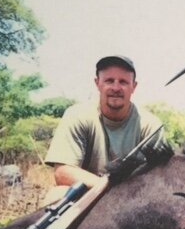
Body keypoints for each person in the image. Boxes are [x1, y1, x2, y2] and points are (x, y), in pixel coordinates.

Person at [44, 55, 166, 198]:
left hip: (132, 199)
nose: (116, 87)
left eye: (123, 82)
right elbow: (62, 172)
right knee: (55, 195)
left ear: (134, 86)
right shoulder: (77, 115)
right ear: (97, 83)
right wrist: (109, 187)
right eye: (109, 81)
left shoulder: (151, 126)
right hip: (88, 194)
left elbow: (159, 180)